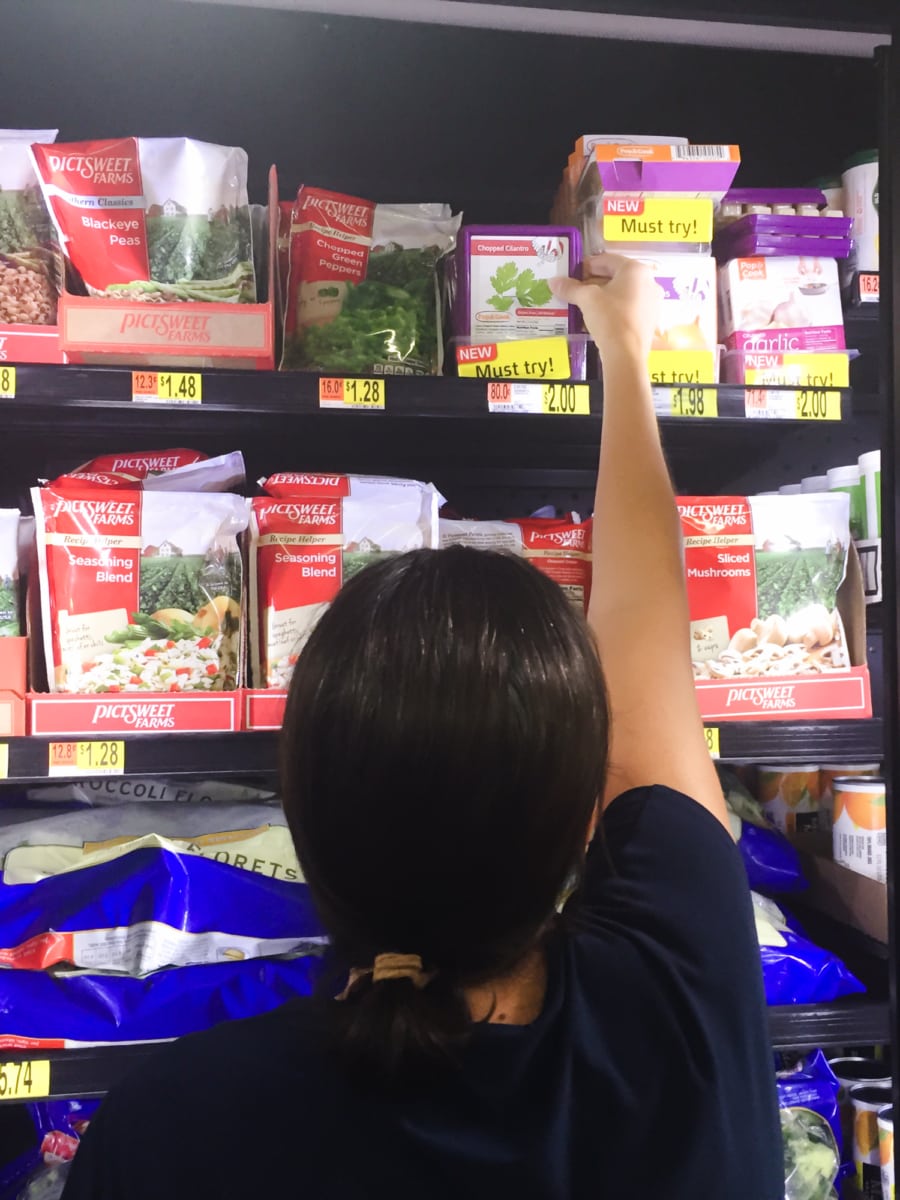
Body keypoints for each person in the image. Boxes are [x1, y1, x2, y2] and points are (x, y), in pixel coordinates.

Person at [63, 254, 783, 1199]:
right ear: (580, 825)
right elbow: (650, 633)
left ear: (304, 822)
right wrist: (625, 348)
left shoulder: (170, 1126)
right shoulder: (678, 1002)